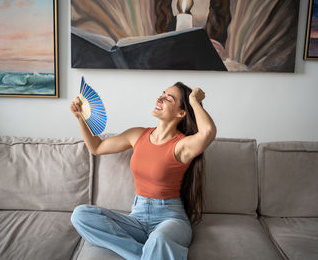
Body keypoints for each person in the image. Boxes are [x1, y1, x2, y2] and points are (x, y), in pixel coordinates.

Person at [69, 82, 216, 260]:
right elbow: (97, 147)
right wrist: (80, 117)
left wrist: (193, 100)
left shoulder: (182, 145)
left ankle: (153, 249)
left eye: (168, 98)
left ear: (181, 113)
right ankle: (144, 255)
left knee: (159, 239)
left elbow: (207, 132)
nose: (159, 98)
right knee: (81, 215)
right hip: (137, 217)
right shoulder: (137, 135)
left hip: (170, 219)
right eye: (161, 93)